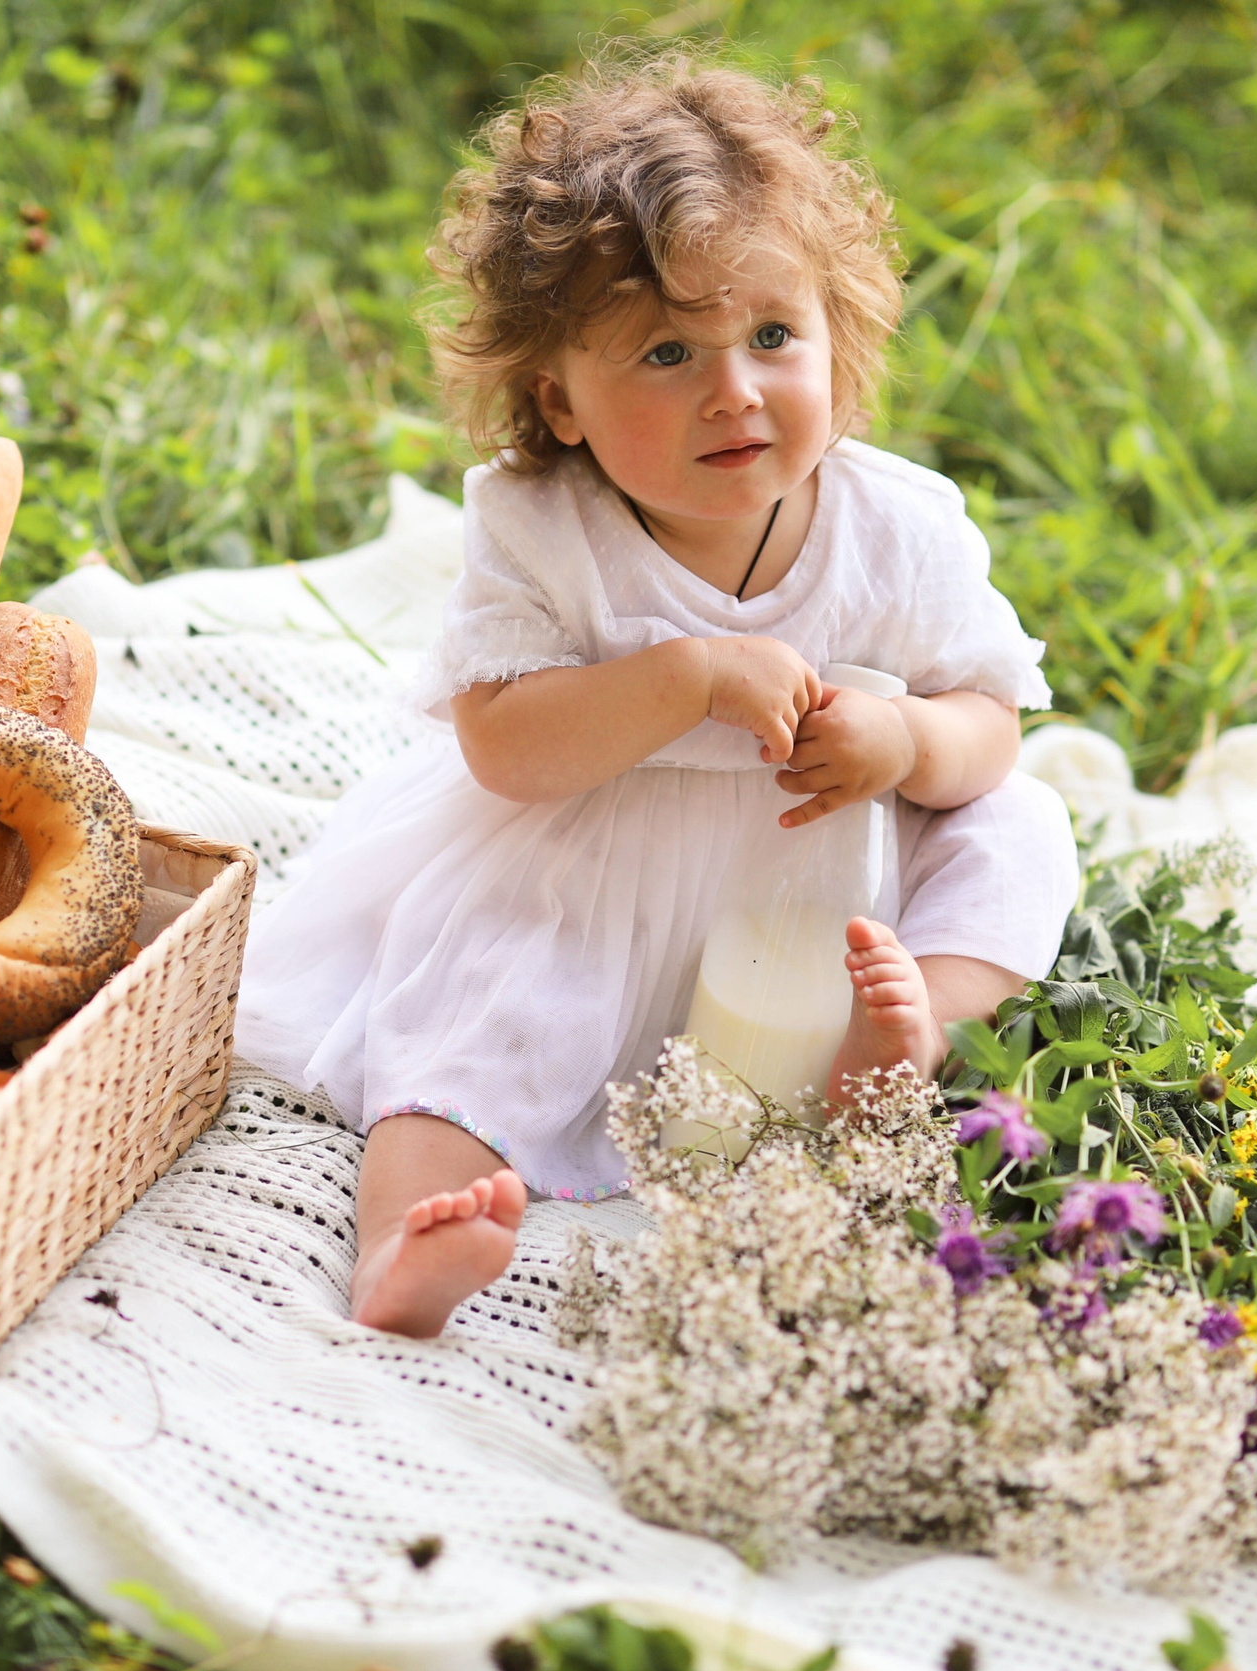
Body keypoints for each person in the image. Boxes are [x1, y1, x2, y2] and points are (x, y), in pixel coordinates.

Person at [233, 53, 1080, 1337]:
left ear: (837, 337)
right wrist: (682, 677)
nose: (733, 390)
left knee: (1019, 832)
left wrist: (906, 737)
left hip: (830, 891)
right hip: (592, 873)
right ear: (556, 401)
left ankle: (915, 1032)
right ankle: (407, 1243)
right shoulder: (544, 530)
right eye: (669, 352)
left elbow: (989, 729)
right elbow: (504, 745)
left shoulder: (894, 528)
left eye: (773, 337)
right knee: (473, 1010)